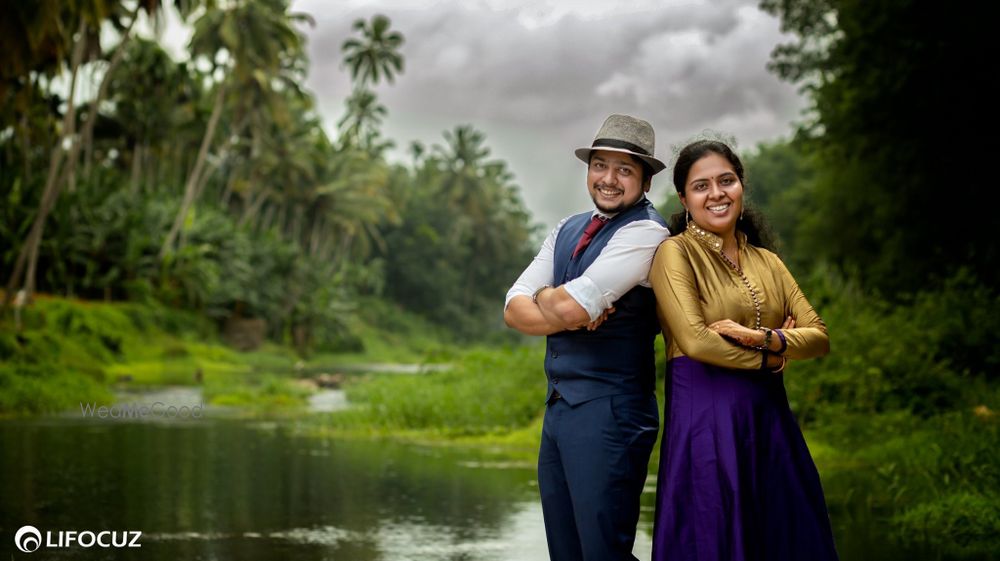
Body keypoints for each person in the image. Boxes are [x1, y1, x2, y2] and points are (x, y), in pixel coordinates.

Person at [648, 139, 839, 560]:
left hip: (770, 419)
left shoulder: (768, 261)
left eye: (726, 181)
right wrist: (775, 357)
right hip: (705, 420)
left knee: (786, 535)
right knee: (713, 534)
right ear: (684, 198)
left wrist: (762, 338)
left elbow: (819, 336)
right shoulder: (674, 254)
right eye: (701, 186)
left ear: (741, 186)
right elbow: (696, 341)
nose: (716, 194)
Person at [504, 114, 670, 561]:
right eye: (600, 165)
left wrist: (554, 302)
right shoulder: (565, 228)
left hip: (611, 413)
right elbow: (513, 309)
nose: (608, 179)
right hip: (558, 410)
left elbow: (569, 307)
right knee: (566, 551)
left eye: (624, 170)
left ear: (646, 181)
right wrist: (553, 300)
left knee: (603, 551)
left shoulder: (647, 233)